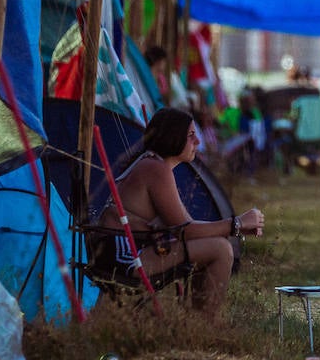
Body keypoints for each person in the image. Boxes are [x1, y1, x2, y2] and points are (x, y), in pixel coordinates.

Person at [96, 108, 264, 315]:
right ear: (173, 136)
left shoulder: (154, 165)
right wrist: (235, 224)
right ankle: (204, 327)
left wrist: (234, 228)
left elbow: (186, 225)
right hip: (125, 254)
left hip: (130, 248)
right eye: (191, 136)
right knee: (220, 249)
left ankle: (197, 324)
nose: (198, 142)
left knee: (220, 243)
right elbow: (185, 231)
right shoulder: (155, 168)